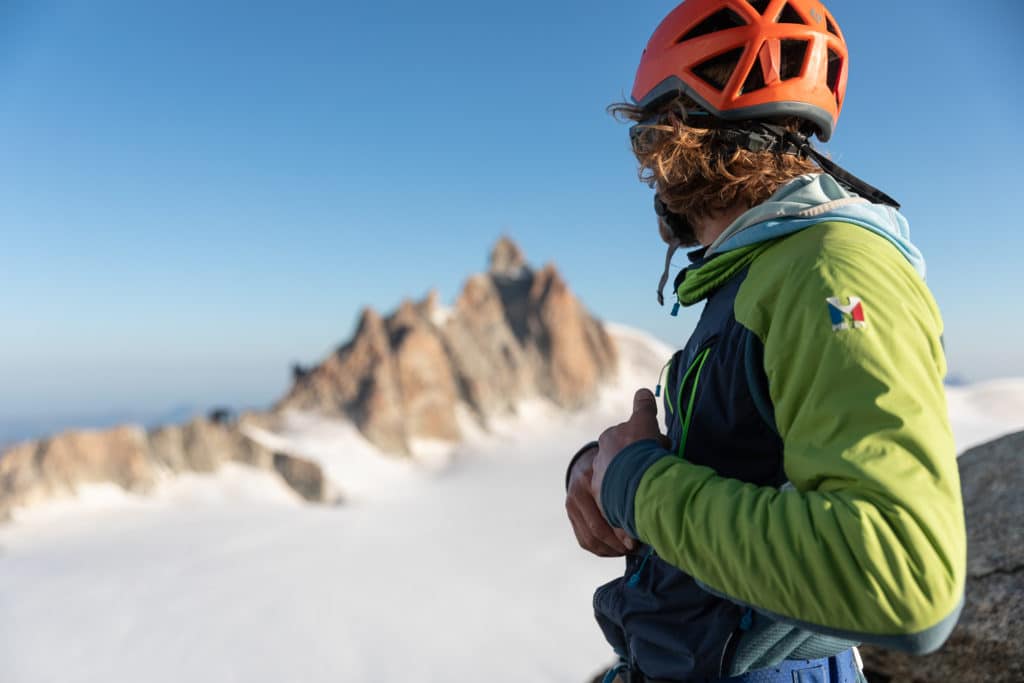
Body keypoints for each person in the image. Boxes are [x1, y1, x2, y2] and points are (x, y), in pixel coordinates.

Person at [564, 1, 966, 681]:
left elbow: (906, 579)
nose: (648, 171)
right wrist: (604, 473)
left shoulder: (830, 268)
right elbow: (747, 462)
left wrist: (637, 483)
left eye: (648, 138)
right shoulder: (762, 269)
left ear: (679, 132)